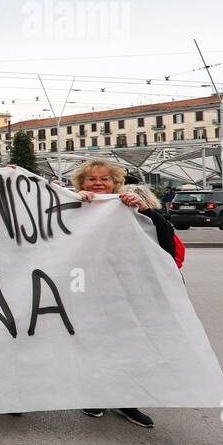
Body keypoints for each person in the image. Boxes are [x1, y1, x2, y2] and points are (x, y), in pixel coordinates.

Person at [71, 158, 168, 428]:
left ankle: (127, 400)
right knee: (92, 342)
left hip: (127, 289)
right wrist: (75, 204)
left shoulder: (129, 207)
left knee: (129, 342)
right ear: (81, 183)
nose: (98, 183)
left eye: (105, 178)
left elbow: (163, 241)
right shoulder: (74, 204)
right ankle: (93, 395)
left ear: (116, 182)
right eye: (91, 179)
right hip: (87, 288)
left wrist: (144, 211)